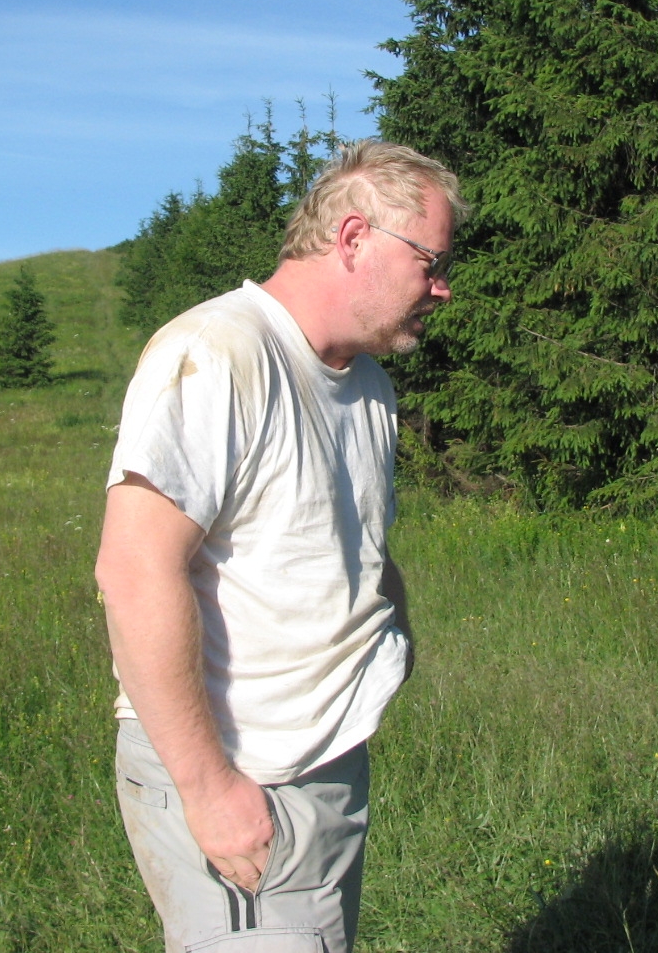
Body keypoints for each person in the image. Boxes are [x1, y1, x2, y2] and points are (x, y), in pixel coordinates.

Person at [95, 139, 466, 952]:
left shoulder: (367, 385)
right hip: (243, 776)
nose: (442, 287)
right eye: (432, 262)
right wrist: (209, 788)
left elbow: (355, 539)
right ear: (355, 237)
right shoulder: (218, 353)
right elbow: (133, 571)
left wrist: (394, 632)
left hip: (328, 766)